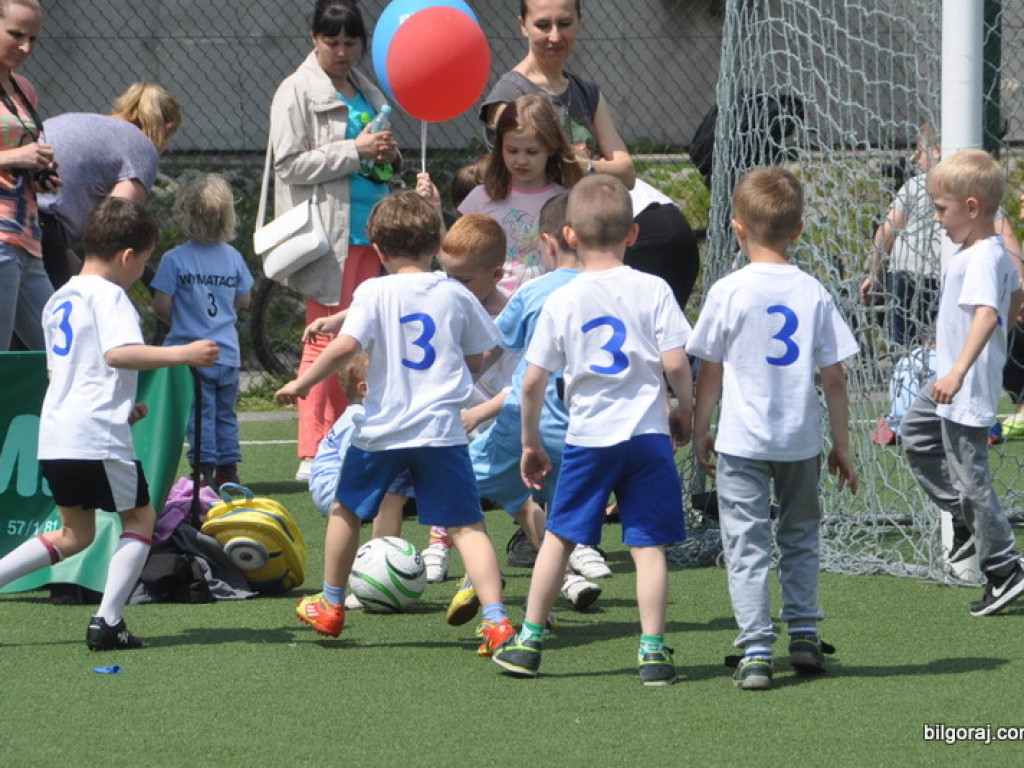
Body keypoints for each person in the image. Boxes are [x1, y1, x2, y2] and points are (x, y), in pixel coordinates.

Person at [274, 191, 514, 655]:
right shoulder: (454, 292)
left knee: (346, 510)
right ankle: (497, 621)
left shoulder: (373, 291)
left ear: (378, 249)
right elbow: (479, 355)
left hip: (383, 431)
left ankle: (331, 604)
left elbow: (347, 346)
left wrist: (304, 382)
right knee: (468, 526)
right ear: (436, 245)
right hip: (442, 431)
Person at [492, 175, 693, 686]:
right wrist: (684, 409)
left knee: (559, 537)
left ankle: (529, 641)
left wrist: (530, 441)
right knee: (647, 546)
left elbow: (532, 380)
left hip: (589, 438)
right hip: (646, 436)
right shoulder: (654, 288)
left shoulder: (563, 298)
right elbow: (676, 362)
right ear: (633, 234)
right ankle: (653, 652)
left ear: (569, 236)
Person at [0, 197, 219, 648]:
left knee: (73, 533)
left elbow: (61, 374)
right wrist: (183, 353)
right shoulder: (110, 294)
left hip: (57, 434)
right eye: (143, 261)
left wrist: (121, 403)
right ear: (127, 256)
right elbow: (118, 353)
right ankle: (109, 620)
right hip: (96, 434)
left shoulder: (58, 298)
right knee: (141, 518)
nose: (140, 272)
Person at [688, 167, 859, 690]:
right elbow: (834, 375)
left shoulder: (728, 291)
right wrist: (842, 444)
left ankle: (757, 650)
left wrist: (700, 427)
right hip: (800, 441)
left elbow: (710, 371)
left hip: (742, 441)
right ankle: (804, 633)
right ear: (799, 228)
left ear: (737, 229)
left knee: (746, 543)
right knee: (800, 534)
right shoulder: (813, 291)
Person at [479, 0, 700, 312]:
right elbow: (519, 178)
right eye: (543, 25)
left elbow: (626, 171)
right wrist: (585, 165)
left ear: (579, 22)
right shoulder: (509, 98)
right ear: (522, 25)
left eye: (564, 24)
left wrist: (586, 165)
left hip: (610, 224)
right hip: (558, 245)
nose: (555, 36)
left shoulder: (587, 92)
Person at [270, 0, 399, 481]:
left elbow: (376, 158)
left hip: (373, 230)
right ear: (314, 39)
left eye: (350, 42)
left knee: (360, 337)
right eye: (332, 42)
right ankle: (313, 448)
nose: (342, 51)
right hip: (329, 234)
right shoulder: (295, 89)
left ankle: (346, 439)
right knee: (326, 334)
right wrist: (355, 149)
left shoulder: (367, 88)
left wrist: (388, 156)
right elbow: (289, 164)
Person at [901, 149, 1024, 617]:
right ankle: (965, 519)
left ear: (972, 208)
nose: (936, 219)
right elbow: (1015, 295)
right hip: (949, 377)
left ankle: (1005, 568)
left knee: (973, 482)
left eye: (941, 209)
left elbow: (989, 315)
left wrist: (959, 369)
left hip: (963, 386)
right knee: (916, 433)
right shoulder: (984, 253)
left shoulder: (981, 258)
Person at [151, 173, 253, 488]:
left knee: (200, 415)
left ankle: (204, 470)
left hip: (192, 353)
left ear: (185, 214)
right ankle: (229, 470)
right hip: (227, 353)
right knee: (225, 414)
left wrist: (181, 317)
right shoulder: (233, 257)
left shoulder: (174, 259)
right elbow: (244, 300)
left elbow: (161, 306)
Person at [37, 82, 183, 289]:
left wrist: (79, 274)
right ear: (167, 128)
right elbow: (114, 226)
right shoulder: (141, 146)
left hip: (17, 214)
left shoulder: (79, 121)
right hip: (41, 229)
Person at [308, 351, 410, 610]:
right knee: (390, 489)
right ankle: (374, 573)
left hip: (337, 484)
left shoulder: (366, 413)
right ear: (365, 389)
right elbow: (354, 466)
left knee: (397, 481)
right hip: (332, 489)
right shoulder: (358, 417)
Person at [459, 94, 583, 296]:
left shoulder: (567, 201)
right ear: (500, 147)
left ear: (551, 147)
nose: (521, 160)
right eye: (512, 150)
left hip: (547, 303)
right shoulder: (481, 197)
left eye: (532, 152)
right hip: (494, 307)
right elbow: (456, 255)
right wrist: (435, 210)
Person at [0, 0, 59, 352]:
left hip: (27, 239)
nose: (25, 47)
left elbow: (20, 160)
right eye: (16, 35)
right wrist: (15, 156)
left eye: (33, 39)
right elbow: (13, 155)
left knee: (62, 351)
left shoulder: (23, 88)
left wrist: (40, 173)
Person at [859, 124, 944, 348]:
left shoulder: (916, 184)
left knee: (905, 345)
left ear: (937, 150)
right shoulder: (972, 186)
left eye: (920, 152)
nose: (916, 160)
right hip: (944, 274)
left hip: (907, 271)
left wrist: (875, 276)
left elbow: (887, 231)